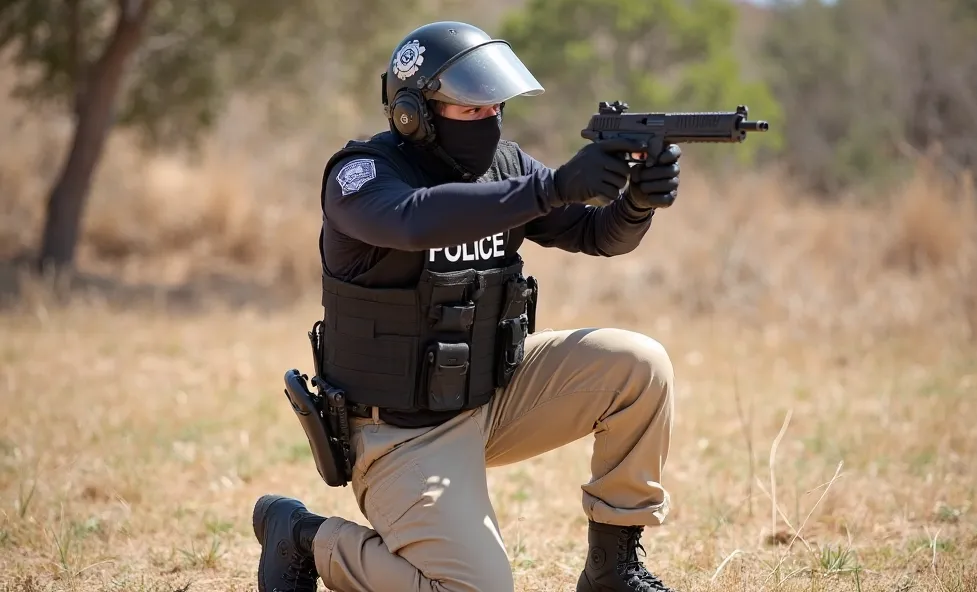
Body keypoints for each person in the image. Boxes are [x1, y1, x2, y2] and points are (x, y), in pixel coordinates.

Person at [251, 20, 681, 592]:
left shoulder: (508, 169)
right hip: (398, 430)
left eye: (494, 107)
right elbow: (415, 219)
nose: (489, 119)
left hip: (492, 396)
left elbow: (597, 235)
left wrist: (636, 204)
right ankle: (306, 538)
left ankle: (614, 571)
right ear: (413, 113)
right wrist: (551, 188)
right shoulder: (361, 178)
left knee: (638, 366)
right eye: (469, 109)